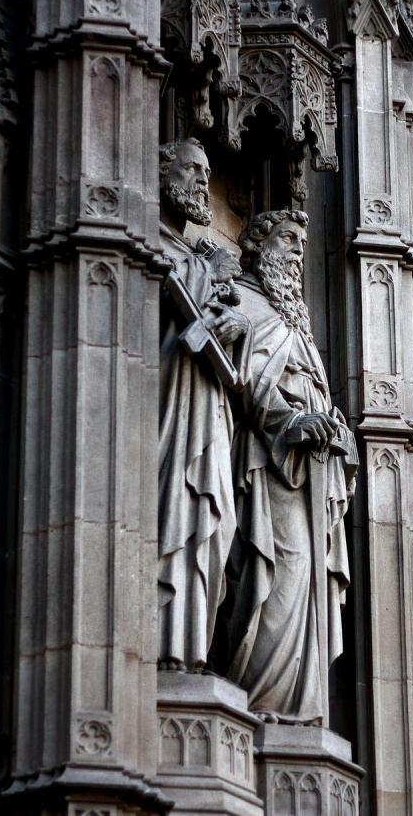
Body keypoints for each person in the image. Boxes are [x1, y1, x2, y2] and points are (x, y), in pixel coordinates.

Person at [220, 209, 356, 724]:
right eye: (288, 240)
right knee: (279, 570)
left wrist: (334, 431)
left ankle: (298, 705)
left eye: (303, 244)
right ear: (259, 245)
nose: (299, 252)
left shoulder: (296, 317)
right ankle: (261, 701)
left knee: (306, 579)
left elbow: (315, 391)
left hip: (311, 473)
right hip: (268, 465)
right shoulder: (246, 301)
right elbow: (243, 377)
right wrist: (291, 421)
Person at [157, 137, 250, 671]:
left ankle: (191, 648)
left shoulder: (195, 256)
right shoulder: (146, 238)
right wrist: (212, 275)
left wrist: (233, 326)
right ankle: (165, 648)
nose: (202, 182)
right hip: (169, 410)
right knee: (173, 514)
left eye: (208, 171)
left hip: (208, 407)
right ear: (161, 170)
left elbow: (209, 325)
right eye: (192, 168)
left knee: (214, 526)